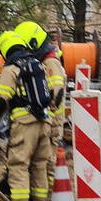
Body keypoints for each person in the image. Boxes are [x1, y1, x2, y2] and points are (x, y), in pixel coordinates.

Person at [0, 31, 52, 201]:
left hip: (24, 123)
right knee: (39, 165)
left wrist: (1, 122)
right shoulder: (38, 64)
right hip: (44, 120)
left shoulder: (12, 68)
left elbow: (1, 100)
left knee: (19, 164)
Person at [14, 21, 66, 187]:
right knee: (41, 161)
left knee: (48, 161)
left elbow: (57, 92)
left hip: (52, 120)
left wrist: (46, 110)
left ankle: (52, 198)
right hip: (47, 120)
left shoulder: (50, 62)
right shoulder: (45, 60)